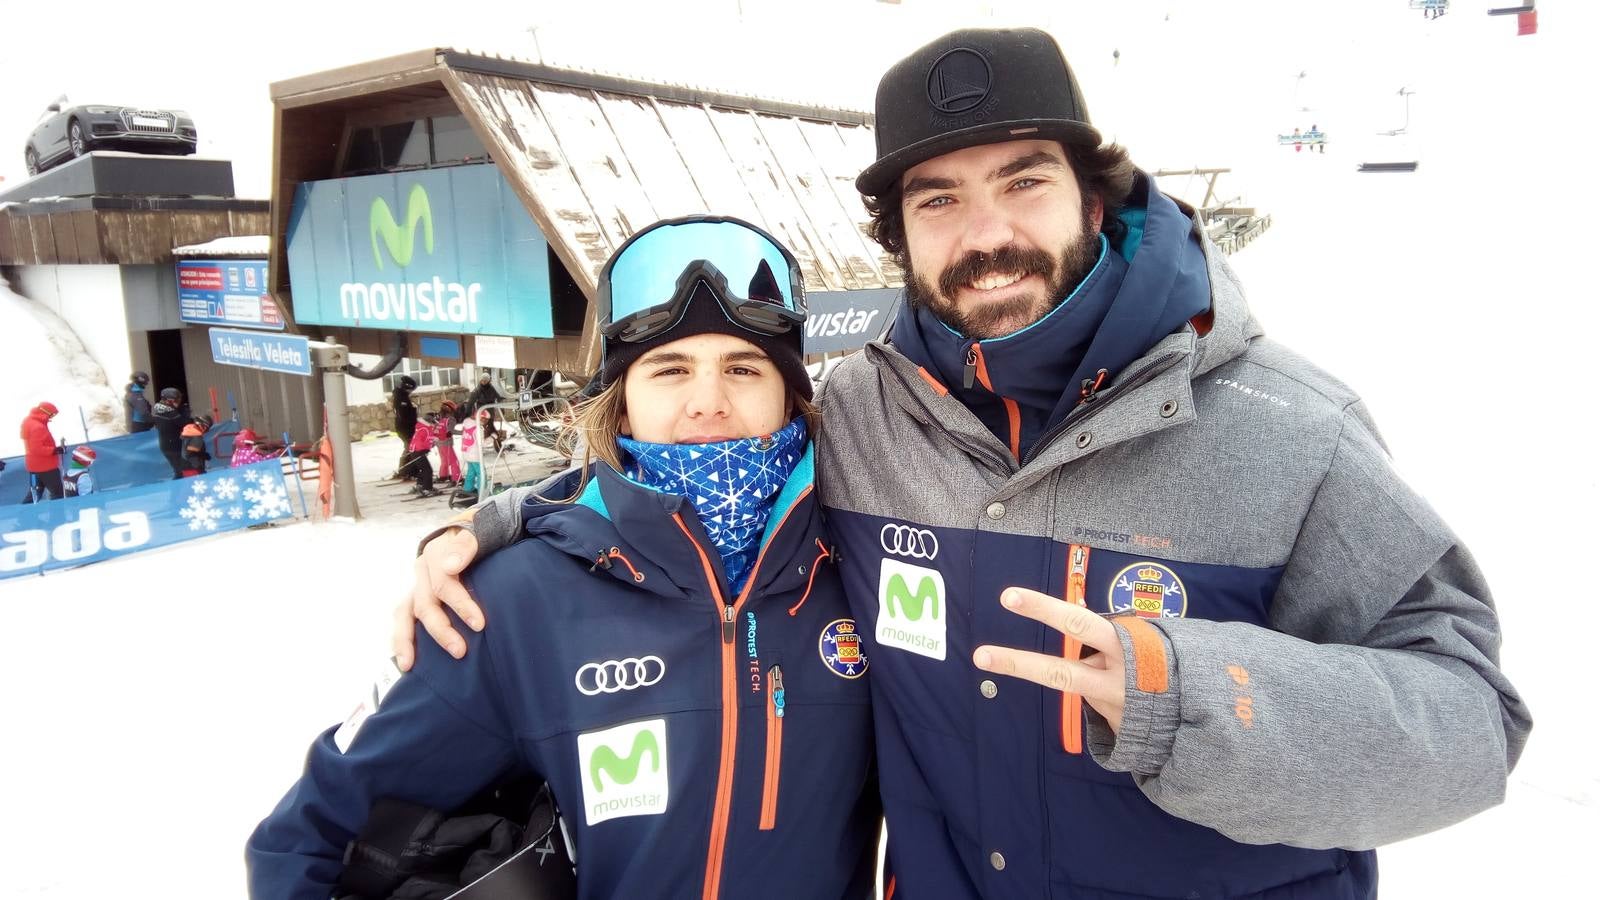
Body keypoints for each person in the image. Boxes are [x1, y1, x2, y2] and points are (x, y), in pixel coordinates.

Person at [401, 27, 1530, 900]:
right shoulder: (861, 414)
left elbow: (1471, 726)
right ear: (897, 239)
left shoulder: (1288, 430)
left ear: (1095, 197)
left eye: (1023, 181)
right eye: (938, 200)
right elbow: (685, 452)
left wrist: (1194, 697)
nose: (985, 233)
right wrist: (497, 527)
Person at [248, 216, 878, 900]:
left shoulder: (863, 565)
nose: (708, 403)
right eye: (670, 370)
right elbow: (311, 833)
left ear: (789, 394)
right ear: (623, 404)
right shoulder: (515, 600)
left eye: (743, 368)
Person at [19, 401, 64, 502]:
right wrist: (54, 450)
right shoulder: (38, 427)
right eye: (52, 415)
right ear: (46, 412)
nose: (52, 418)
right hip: (46, 467)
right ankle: (57, 516)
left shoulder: (28, 421)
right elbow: (36, 448)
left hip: (34, 466)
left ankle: (24, 515)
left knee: (34, 494)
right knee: (58, 494)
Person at [150, 387, 189, 479]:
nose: (179, 402)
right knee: (181, 471)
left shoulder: (159, 410)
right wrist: (186, 416)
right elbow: (184, 424)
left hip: (166, 445)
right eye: (177, 399)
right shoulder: (170, 413)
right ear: (169, 400)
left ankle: (179, 490)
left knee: (179, 470)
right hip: (173, 446)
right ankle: (178, 491)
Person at [400, 414, 438, 497]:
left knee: (423, 470)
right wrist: (430, 444)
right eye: (434, 422)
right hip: (418, 452)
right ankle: (427, 489)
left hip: (415, 451)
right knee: (428, 470)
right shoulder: (427, 429)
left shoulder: (420, 427)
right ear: (430, 422)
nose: (435, 425)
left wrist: (429, 445)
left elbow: (420, 440)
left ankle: (420, 485)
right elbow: (425, 441)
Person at [391, 374, 419, 479]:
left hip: (406, 427)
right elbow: (404, 415)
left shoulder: (402, 396)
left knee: (409, 448)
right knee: (409, 448)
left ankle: (407, 470)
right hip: (405, 428)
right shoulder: (401, 398)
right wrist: (414, 413)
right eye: (411, 390)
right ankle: (405, 470)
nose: (411, 392)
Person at [434, 400, 462, 486]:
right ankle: (457, 478)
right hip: (447, 444)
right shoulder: (451, 419)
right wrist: (463, 432)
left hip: (438, 443)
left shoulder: (439, 418)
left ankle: (443, 476)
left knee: (444, 461)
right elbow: (451, 431)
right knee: (454, 461)